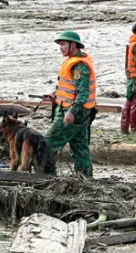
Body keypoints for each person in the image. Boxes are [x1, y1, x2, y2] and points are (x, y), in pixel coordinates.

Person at [46, 31, 96, 178]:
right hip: (80, 111)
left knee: (47, 144)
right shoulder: (74, 60)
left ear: (73, 45)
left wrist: (71, 112)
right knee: (80, 147)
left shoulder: (79, 65)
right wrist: (56, 94)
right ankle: (85, 179)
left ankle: (45, 176)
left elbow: (83, 93)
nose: (60, 47)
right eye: (60, 44)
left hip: (72, 111)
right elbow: (71, 86)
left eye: (63, 44)